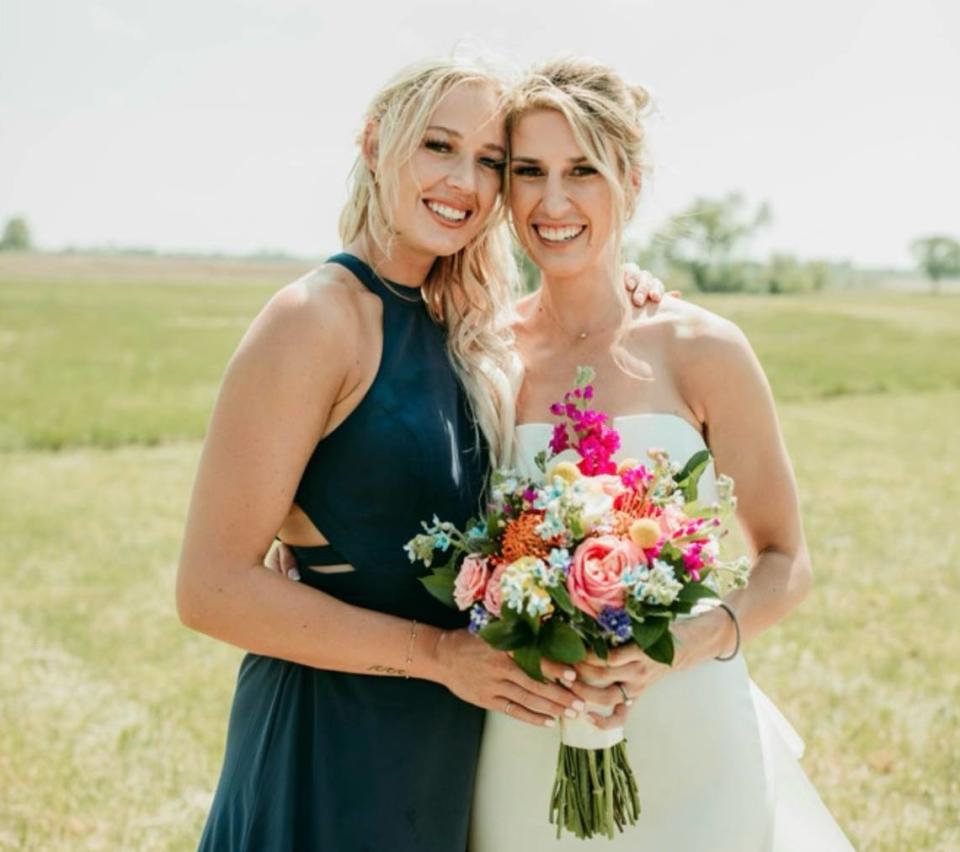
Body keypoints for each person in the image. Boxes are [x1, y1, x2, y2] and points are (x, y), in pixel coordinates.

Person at [178, 57, 662, 850]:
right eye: (439, 147)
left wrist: (623, 283)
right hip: (327, 744)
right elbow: (210, 590)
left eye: (489, 163)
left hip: (437, 752)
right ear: (376, 145)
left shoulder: (461, 333)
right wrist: (437, 654)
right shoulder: (315, 319)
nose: (464, 182)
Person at [468, 58, 856, 850]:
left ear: (631, 183)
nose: (553, 201)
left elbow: (786, 561)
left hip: (692, 731)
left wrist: (677, 646)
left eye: (583, 171)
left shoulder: (703, 348)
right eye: (530, 172)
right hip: (523, 735)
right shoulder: (478, 352)